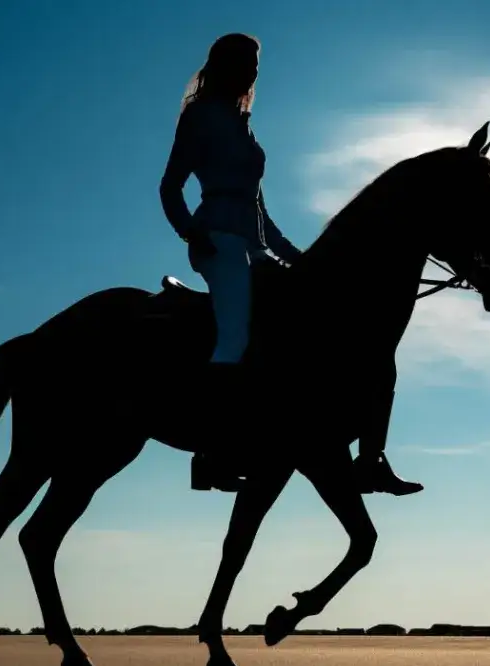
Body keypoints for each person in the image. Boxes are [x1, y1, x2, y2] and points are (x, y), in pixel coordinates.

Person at [159, 32, 420, 497]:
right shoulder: (199, 117)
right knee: (235, 331)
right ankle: (212, 454)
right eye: (247, 62)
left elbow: (261, 213)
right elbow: (170, 187)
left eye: (257, 64)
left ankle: (369, 458)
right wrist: (189, 230)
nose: (254, 72)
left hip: (252, 244)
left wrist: (302, 261)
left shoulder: (245, 125)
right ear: (226, 65)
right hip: (216, 240)